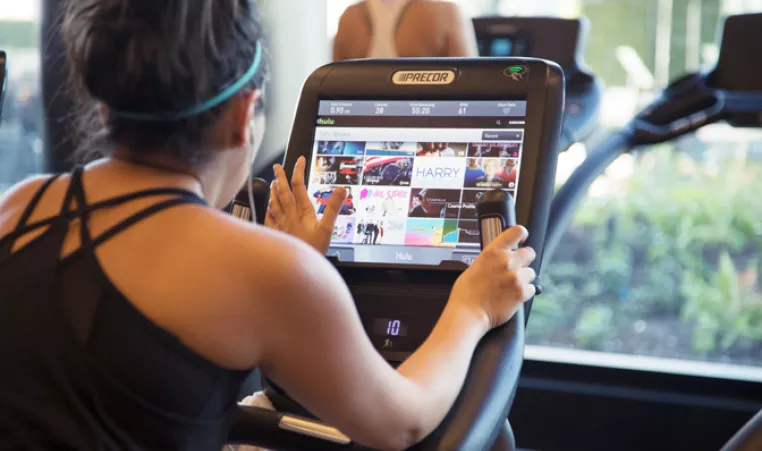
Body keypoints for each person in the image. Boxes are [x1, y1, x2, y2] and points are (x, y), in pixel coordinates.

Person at [0, 1, 537, 450]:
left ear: (104, 111)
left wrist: (298, 266)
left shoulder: (20, 208)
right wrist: (473, 306)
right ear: (243, 115)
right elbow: (404, 422)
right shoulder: (268, 272)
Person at [333, 0, 479, 60]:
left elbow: (333, 93)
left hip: (363, 121)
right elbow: (472, 87)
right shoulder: (446, 13)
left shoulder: (349, 17)